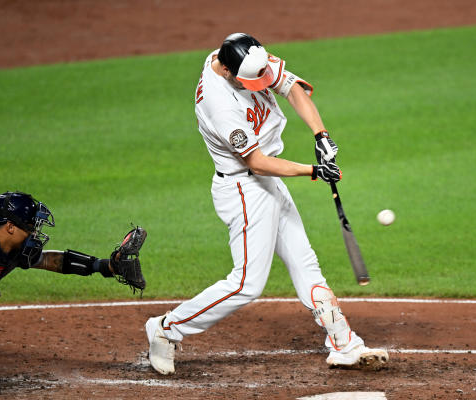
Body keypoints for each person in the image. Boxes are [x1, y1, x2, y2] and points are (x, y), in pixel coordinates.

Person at [145, 33, 389, 375]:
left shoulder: (243, 56)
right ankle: (165, 329)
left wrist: (321, 136)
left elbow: (291, 88)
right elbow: (257, 162)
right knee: (246, 283)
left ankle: (343, 342)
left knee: (306, 263)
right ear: (229, 72)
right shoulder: (219, 103)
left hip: (268, 182)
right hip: (244, 190)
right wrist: (313, 170)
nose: (260, 83)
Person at [0, 191, 146, 385]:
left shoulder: (13, 246)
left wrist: (105, 266)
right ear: (10, 227)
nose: (34, 233)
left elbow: (49, 260)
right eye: (30, 227)